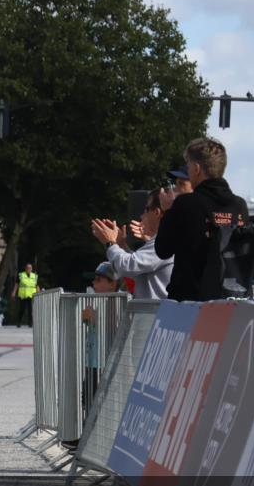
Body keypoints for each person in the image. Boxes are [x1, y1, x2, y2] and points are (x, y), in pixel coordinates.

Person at [154, 137, 250, 302]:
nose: (188, 170)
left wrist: (168, 211)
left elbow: (163, 250)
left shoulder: (186, 203)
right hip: (230, 300)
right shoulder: (239, 205)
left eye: (189, 164)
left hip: (190, 302)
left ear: (197, 168)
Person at [62, 262, 123, 450]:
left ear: (112, 284)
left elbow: (114, 329)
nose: (94, 285)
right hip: (93, 361)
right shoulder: (99, 301)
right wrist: (87, 318)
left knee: (99, 402)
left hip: (104, 363)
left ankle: (95, 442)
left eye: (99, 280)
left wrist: (94, 317)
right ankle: (88, 438)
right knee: (87, 399)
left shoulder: (116, 302)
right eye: (94, 281)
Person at [90, 188, 173, 299]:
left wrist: (110, 243)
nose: (142, 215)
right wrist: (121, 245)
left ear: (157, 212)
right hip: (155, 313)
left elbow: (128, 267)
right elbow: (138, 270)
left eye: (146, 209)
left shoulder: (165, 240)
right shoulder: (166, 239)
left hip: (156, 314)